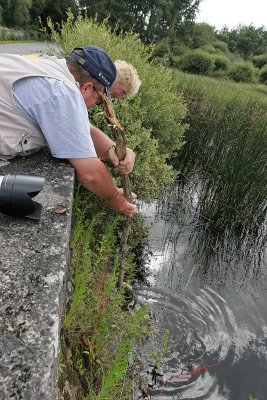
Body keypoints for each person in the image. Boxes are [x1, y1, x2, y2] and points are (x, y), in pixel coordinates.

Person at [0, 46, 139, 216]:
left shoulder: (52, 65)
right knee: (26, 200)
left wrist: (114, 150)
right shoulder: (63, 93)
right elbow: (90, 174)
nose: (97, 103)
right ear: (87, 88)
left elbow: (80, 129)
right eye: (100, 97)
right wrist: (114, 197)